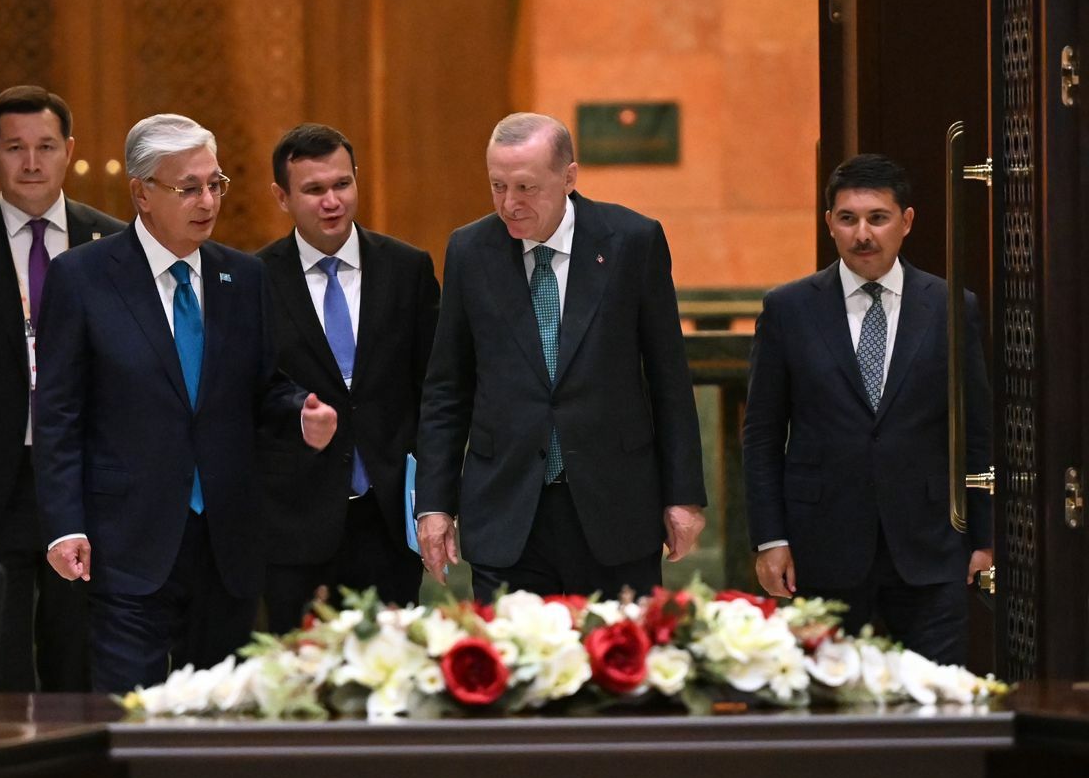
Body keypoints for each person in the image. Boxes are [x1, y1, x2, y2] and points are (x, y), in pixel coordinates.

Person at [32, 113, 337, 693]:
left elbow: (262, 386)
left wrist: (299, 412)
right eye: (189, 187)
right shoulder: (83, 277)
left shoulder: (243, 277)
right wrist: (64, 526)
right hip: (126, 541)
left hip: (226, 542)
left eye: (215, 184)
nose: (208, 201)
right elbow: (58, 415)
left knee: (221, 715)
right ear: (142, 193)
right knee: (130, 715)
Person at [415, 112, 706, 603]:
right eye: (498, 186)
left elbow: (669, 380)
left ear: (569, 177)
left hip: (613, 504)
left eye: (526, 187)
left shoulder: (632, 241)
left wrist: (683, 496)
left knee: (619, 649)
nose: (510, 203)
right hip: (506, 506)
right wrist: (435, 504)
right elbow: (448, 387)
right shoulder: (470, 250)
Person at [743, 153, 992, 663]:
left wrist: (987, 540)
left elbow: (978, 432)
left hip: (931, 544)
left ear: (906, 221)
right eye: (848, 218)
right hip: (821, 545)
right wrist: (770, 539)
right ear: (829, 223)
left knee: (937, 695)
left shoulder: (950, 306)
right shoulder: (788, 309)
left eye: (878, 218)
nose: (863, 234)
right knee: (826, 698)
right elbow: (763, 435)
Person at [0, 86, 124, 692]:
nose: (32, 163)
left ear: (69, 151)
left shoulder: (114, 246)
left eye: (45, 146)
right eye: (15, 148)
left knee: (79, 660)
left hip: (87, 484)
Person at [257, 123, 439, 630]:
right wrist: (297, 413)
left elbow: (435, 390)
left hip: (389, 518)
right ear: (282, 197)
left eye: (342, 184)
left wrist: (434, 499)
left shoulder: (407, 269)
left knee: (393, 664)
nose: (332, 201)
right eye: (314, 190)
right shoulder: (255, 280)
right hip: (295, 522)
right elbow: (249, 393)